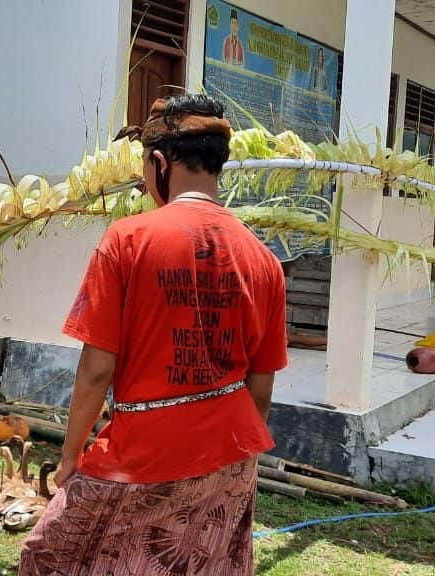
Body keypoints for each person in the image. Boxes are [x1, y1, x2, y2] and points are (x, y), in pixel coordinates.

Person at [19, 94, 288, 576]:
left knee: (48, 556)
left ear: (159, 162)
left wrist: (70, 458)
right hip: (231, 452)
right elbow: (261, 387)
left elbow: (97, 368)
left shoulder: (128, 240)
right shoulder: (263, 259)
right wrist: (231, 461)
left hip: (143, 451)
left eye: (146, 166)